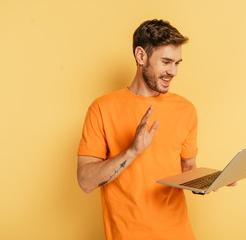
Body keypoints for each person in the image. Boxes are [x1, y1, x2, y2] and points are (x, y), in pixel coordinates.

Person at [77, 19, 234, 240]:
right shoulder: (102, 108)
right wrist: (132, 151)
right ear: (141, 56)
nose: (173, 71)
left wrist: (208, 182)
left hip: (179, 233)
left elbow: (188, 168)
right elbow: (85, 182)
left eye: (177, 63)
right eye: (166, 62)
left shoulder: (186, 109)